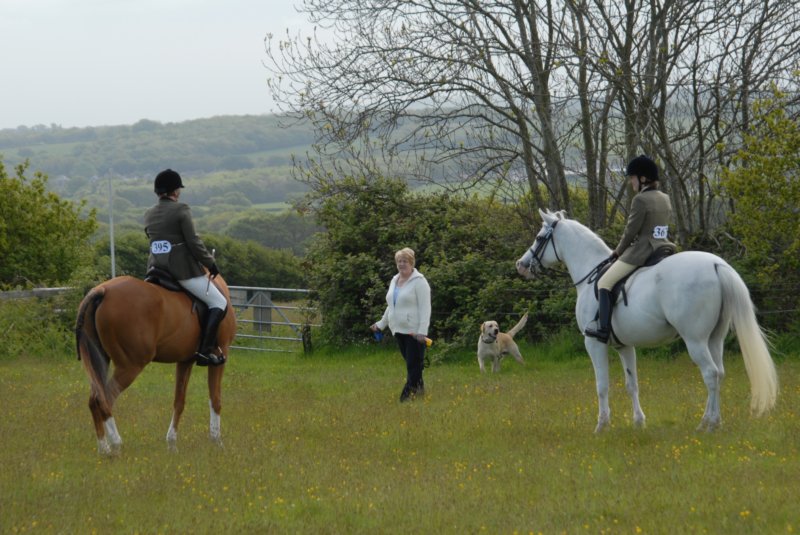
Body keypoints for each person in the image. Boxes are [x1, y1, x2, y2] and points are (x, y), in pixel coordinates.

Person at [584, 155, 676, 343]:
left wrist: (617, 252)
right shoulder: (665, 198)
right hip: (664, 248)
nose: (631, 182)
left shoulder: (640, 200)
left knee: (604, 283)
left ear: (643, 179)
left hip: (642, 251)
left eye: (632, 178)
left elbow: (630, 232)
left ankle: (603, 330)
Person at [144, 169, 228, 366]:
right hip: (180, 271)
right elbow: (193, 241)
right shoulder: (181, 210)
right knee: (219, 303)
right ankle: (205, 351)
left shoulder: (148, 214)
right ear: (175, 191)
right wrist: (210, 263)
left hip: (155, 269)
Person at [371, 247, 432, 402]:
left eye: (404, 261)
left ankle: (404, 399)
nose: (401, 264)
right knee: (414, 365)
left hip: (414, 332)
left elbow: (426, 308)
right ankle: (420, 393)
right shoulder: (395, 280)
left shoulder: (420, 282)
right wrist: (381, 324)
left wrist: (422, 332)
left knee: (413, 366)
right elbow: (392, 304)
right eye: (399, 261)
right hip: (398, 330)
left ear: (411, 263)